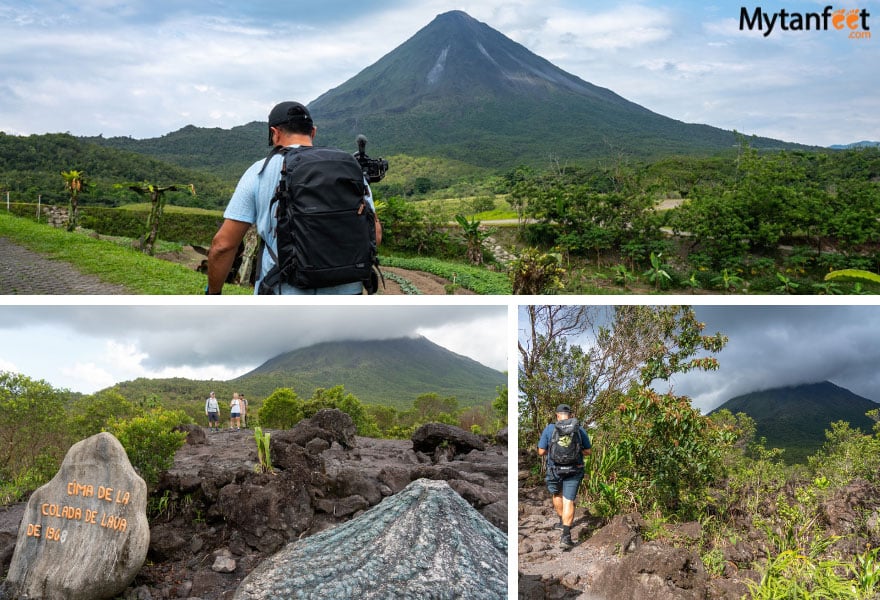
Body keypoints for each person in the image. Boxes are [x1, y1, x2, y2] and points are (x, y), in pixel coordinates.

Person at [206, 101, 382, 295]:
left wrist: (213, 294)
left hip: (283, 294)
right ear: (313, 132)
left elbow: (223, 245)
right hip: (348, 296)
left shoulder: (258, 172)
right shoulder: (349, 168)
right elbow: (375, 235)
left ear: (275, 133)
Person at [537, 403, 592, 548]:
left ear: (557, 415)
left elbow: (541, 452)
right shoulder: (578, 428)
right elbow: (588, 451)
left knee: (557, 494)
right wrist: (576, 451)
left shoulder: (550, 429)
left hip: (555, 469)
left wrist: (555, 453)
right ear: (570, 415)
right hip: (575, 468)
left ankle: (562, 522)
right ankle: (566, 536)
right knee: (569, 500)